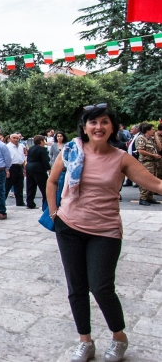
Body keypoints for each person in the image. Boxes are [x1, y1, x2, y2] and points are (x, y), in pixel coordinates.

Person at [47, 104, 162, 362]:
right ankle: (85, 341)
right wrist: (55, 214)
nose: (98, 127)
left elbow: (154, 183)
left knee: (101, 286)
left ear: (113, 127)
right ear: (85, 127)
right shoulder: (71, 150)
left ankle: (119, 337)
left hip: (105, 231)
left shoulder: (121, 158)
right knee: (76, 287)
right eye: (93, 122)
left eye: (104, 122)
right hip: (69, 227)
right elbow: (52, 180)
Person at [134, 123, 161, 205]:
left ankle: (149, 197)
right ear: (147, 130)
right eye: (152, 129)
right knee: (146, 180)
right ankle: (143, 198)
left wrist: (155, 136)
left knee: (153, 181)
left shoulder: (151, 139)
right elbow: (140, 150)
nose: (154, 131)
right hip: (146, 163)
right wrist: (153, 155)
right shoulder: (141, 138)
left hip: (154, 163)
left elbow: (159, 148)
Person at [26, 135, 50, 209]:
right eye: (44, 141)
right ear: (41, 141)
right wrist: (49, 169)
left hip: (29, 167)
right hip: (38, 168)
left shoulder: (31, 148)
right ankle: (45, 204)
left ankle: (30, 203)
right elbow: (45, 160)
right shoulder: (42, 149)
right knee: (44, 186)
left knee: (30, 186)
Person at [5, 133, 27, 207]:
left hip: (19, 166)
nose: (16, 139)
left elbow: (23, 158)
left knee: (20, 185)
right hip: (11, 167)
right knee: (7, 185)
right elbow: (5, 159)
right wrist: (6, 170)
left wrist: (24, 169)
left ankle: (20, 202)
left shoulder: (21, 146)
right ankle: (2, 201)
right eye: (14, 138)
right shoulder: (7, 147)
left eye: (17, 138)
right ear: (10, 139)